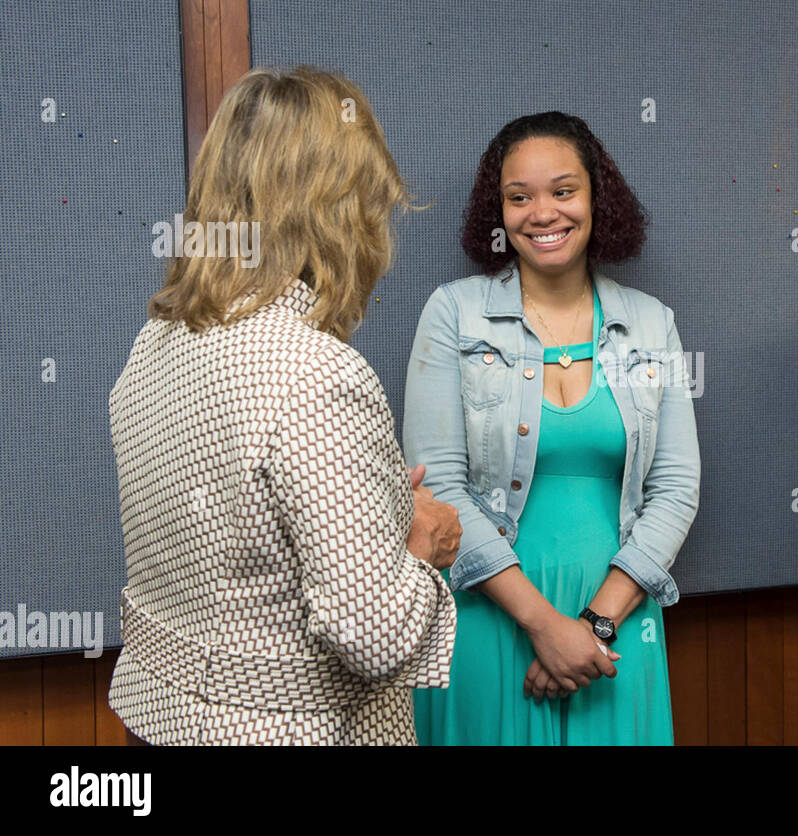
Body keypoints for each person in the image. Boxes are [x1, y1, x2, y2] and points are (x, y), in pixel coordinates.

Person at [107, 66, 461, 745]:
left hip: (160, 724)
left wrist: (377, 514)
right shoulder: (317, 375)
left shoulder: (156, 341)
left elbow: (237, 538)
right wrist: (419, 542)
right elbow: (375, 634)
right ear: (339, 212)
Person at [404, 111, 700, 745]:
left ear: (597, 198)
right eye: (520, 197)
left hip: (617, 626)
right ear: (499, 208)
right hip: (488, 615)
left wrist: (590, 627)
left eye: (563, 191)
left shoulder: (652, 324)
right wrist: (543, 625)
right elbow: (438, 490)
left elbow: (676, 488)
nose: (543, 213)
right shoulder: (454, 313)